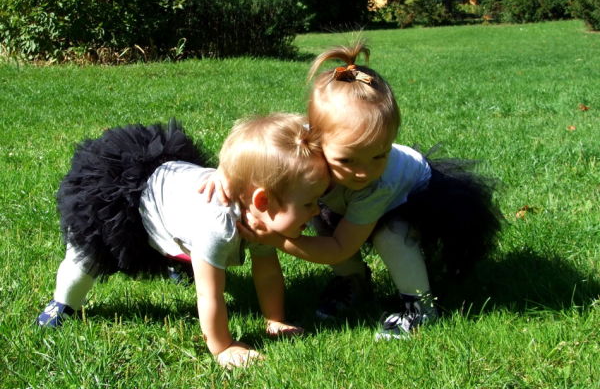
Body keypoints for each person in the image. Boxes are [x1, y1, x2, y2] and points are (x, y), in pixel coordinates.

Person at [237, 42, 502, 340]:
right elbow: (256, 145)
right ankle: (352, 281)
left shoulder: (378, 181)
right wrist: (224, 177)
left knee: (392, 235)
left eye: (379, 154)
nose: (363, 171)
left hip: (415, 196)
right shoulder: (304, 145)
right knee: (315, 213)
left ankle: (420, 307)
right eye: (346, 159)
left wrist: (276, 239)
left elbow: (341, 247)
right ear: (314, 139)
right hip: (344, 196)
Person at [37, 115, 329, 368]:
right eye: (309, 204)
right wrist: (223, 347)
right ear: (262, 200)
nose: (317, 211)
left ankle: (177, 260)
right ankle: (62, 303)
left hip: (174, 193)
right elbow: (209, 294)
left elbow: (266, 272)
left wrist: (274, 319)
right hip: (121, 193)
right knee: (86, 256)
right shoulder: (217, 226)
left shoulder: (262, 220)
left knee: (189, 249)